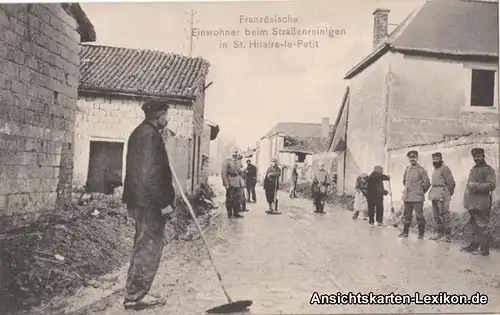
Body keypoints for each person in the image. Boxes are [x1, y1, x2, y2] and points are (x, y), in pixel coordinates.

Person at [122, 99, 176, 310]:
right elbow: (150, 174)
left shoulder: (140, 133)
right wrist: (164, 203)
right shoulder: (150, 136)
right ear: (159, 115)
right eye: (166, 114)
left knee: (142, 245)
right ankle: (135, 296)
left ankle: (134, 292)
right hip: (150, 203)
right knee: (149, 247)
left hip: (140, 201)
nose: (167, 119)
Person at [461, 148, 496, 256]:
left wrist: (475, 185)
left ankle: (485, 250)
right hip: (472, 203)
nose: (477, 159)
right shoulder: (473, 169)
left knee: (482, 226)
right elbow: (469, 185)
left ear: (483, 156)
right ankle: (474, 245)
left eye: (479, 156)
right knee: (474, 225)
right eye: (475, 157)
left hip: (482, 203)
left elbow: (491, 185)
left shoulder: (488, 170)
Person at [399, 150, 431, 239]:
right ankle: (405, 232)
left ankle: (421, 235)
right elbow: (404, 181)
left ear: (417, 158)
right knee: (406, 215)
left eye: (414, 157)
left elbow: (427, 183)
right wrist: (408, 190)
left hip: (417, 198)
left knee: (419, 216)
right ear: (409, 159)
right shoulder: (407, 169)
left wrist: (420, 191)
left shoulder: (421, 170)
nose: (412, 159)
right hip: (407, 196)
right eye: (410, 157)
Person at [428, 152, 456, 241]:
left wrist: (447, 194)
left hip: (443, 194)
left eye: (437, 159)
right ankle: (439, 233)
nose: (435, 161)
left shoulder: (445, 169)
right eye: (434, 159)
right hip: (435, 194)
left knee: (444, 214)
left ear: (441, 159)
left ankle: (447, 236)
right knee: (436, 215)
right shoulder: (435, 169)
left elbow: (451, 183)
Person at [221, 149, 244, 219]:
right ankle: (230, 214)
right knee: (230, 198)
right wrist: (226, 184)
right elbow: (223, 173)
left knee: (238, 198)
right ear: (230, 153)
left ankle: (236, 213)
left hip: (238, 182)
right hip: (230, 181)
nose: (235, 154)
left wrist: (241, 173)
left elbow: (240, 170)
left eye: (236, 152)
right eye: (234, 152)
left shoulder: (239, 161)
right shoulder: (227, 161)